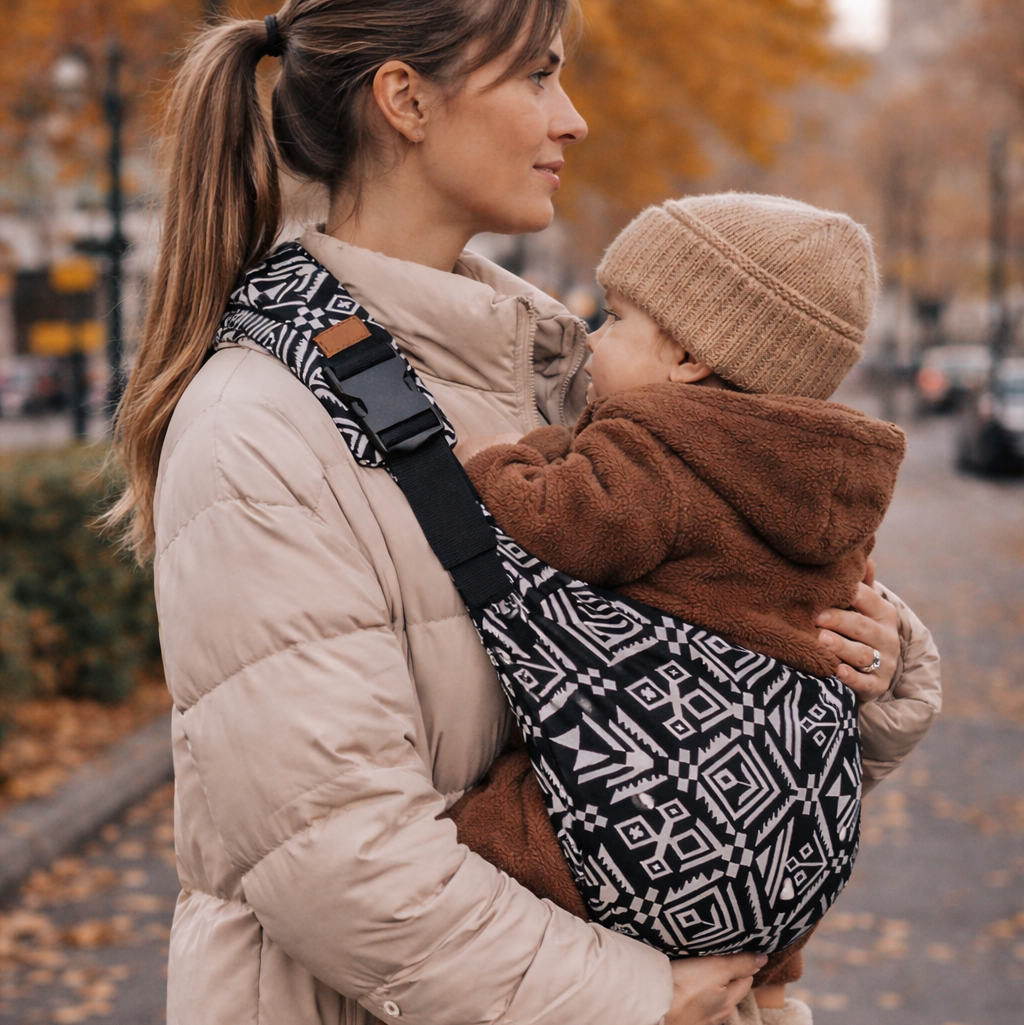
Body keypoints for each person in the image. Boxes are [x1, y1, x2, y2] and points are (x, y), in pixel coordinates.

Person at [105, 3, 940, 1024]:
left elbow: (666, 747)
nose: (575, 117)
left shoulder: (552, 388)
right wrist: (632, 995)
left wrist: (867, 670)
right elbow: (329, 852)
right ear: (405, 99)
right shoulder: (261, 426)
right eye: (538, 76)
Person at [451, 193, 920, 1019]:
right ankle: (769, 979)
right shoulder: (829, 482)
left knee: (487, 841)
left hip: (647, 804)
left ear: (690, 359)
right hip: (785, 819)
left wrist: (499, 462)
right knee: (760, 901)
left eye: (618, 319)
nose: (593, 338)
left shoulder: (658, 445)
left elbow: (566, 524)